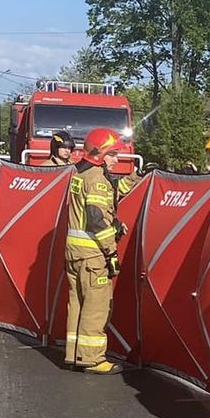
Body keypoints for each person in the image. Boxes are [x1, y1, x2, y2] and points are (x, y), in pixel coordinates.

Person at [64, 127, 125, 374]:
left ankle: (74, 353)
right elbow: (96, 218)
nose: (116, 159)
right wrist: (111, 251)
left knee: (76, 303)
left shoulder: (79, 173)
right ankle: (93, 359)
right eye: (113, 154)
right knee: (96, 305)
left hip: (73, 252)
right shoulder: (98, 178)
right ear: (100, 154)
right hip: (92, 254)